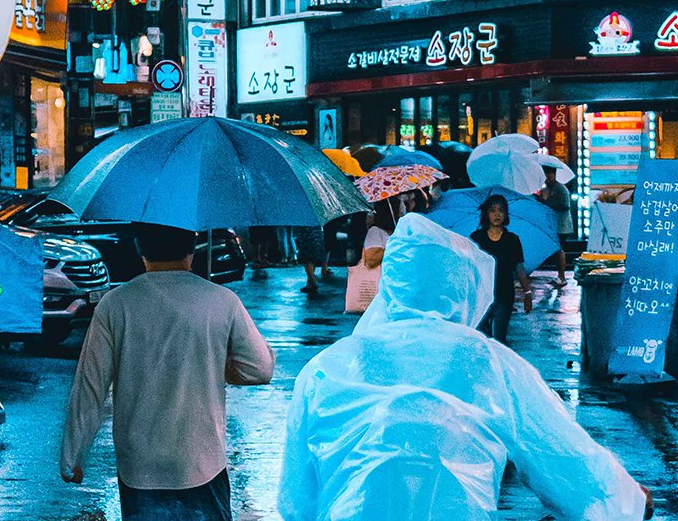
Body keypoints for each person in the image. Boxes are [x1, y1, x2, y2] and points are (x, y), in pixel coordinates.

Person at [279, 215, 650, 520]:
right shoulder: (487, 363)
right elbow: (564, 455)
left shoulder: (326, 368)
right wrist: (626, 499)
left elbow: (296, 501)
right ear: (462, 287)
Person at [61, 223, 275, 520]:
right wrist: (216, 361)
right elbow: (261, 368)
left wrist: (72, 457)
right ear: (192, 248)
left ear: (139, 248)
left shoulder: (116, 304)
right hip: (202, 462)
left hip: (140, 467)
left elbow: (90, 387)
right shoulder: (222, 301)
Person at [470, 195, 531, 344]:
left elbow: (519, 269)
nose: (497, 215)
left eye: (501, 211)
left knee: (499, 339)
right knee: (481, 339)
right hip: (481, 294)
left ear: (506, 214)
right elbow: (470, 267)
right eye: (492, 211)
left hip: (504, 294)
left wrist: (527, 292)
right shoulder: (476, 238)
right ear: (486, 214)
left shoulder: (512, 240)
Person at [540, 164, 574, 288]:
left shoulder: (560, 189)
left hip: (562, 226)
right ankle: (559, 276)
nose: (547, 177)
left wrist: (548, 204)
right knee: (556, 251)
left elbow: (565, 206)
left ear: (554, 174)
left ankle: (562, 277)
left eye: (549, 174)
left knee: (559, 250)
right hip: (553, 225)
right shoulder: (547, 189)